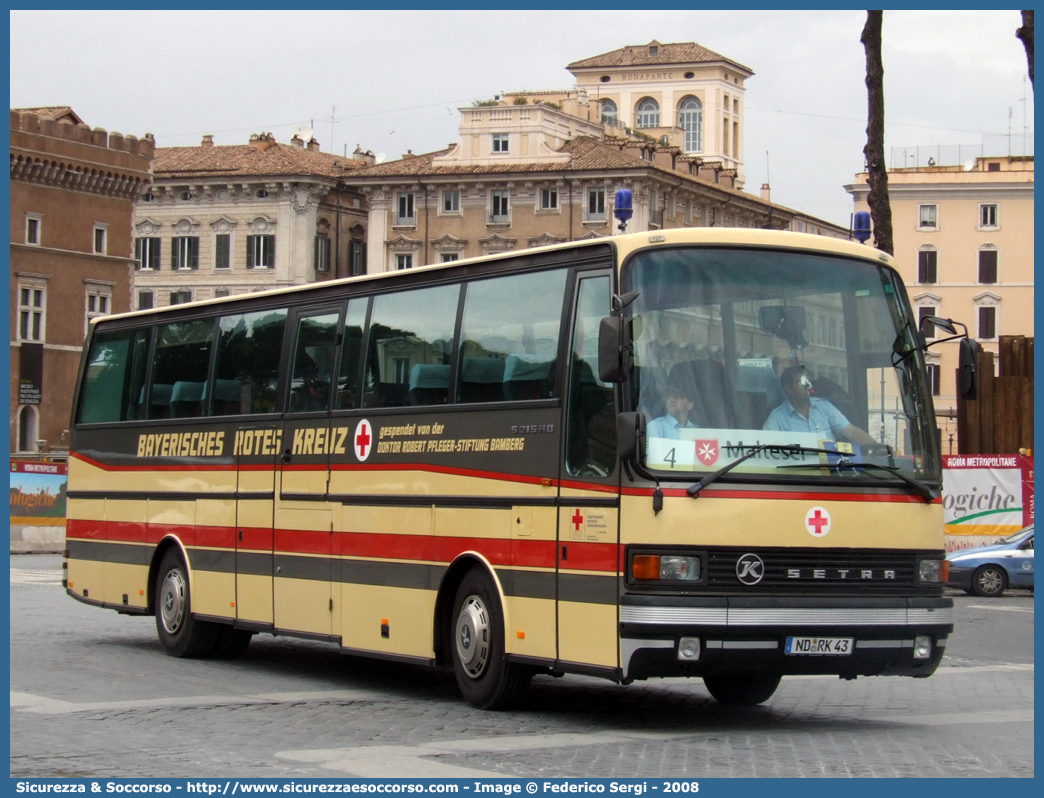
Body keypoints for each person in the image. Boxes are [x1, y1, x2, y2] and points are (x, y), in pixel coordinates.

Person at [764, 365, 875, 444]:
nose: (808, 386)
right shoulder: (776, 418)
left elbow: (850, 431)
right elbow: (766, 449)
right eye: (801, 383)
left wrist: (876, 446)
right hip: (796, 475)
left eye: (808, 381)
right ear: (787, 388)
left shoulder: (825, 407)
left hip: (833, 473)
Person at [647, 373, 699, 439]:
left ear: (690, 405)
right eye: (669, 395)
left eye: (678, 396)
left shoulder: (697, 431)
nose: (672, 400)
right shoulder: (656, 426)